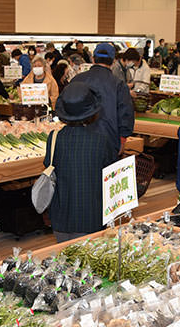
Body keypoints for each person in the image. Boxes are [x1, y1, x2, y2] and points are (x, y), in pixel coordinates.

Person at [44, 81, 117, 243]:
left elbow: (50, 167)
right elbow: (110, 174)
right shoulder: (101, 140)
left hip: (60, 217)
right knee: (88, 264)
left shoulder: (54, 138)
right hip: (91, 217)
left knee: (66, 263)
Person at [70, 43, 134, 154]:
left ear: (93, 59)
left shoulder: (76, 80)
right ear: (113, 61)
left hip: (78, 140)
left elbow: (67, 108)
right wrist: (122, 140)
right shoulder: (119, 84)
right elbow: (126, 114)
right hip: (109, 142)